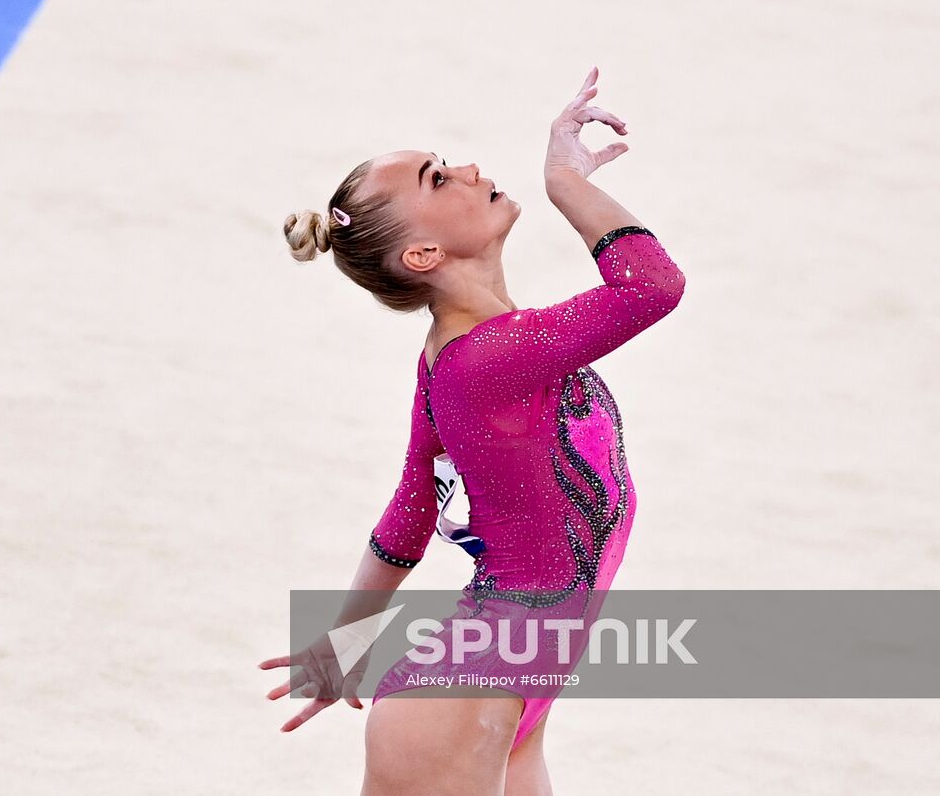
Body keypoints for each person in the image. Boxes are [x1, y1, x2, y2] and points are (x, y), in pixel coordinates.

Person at [258, 66, 686, 795]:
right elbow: (652, 284)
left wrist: (347, 638)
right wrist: (569, 186)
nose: (467, 169)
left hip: (516, 681)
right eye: (436, 179)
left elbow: (413, 504)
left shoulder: (464, 359)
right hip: (465, 687)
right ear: (422, 256)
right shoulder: (489, 359)